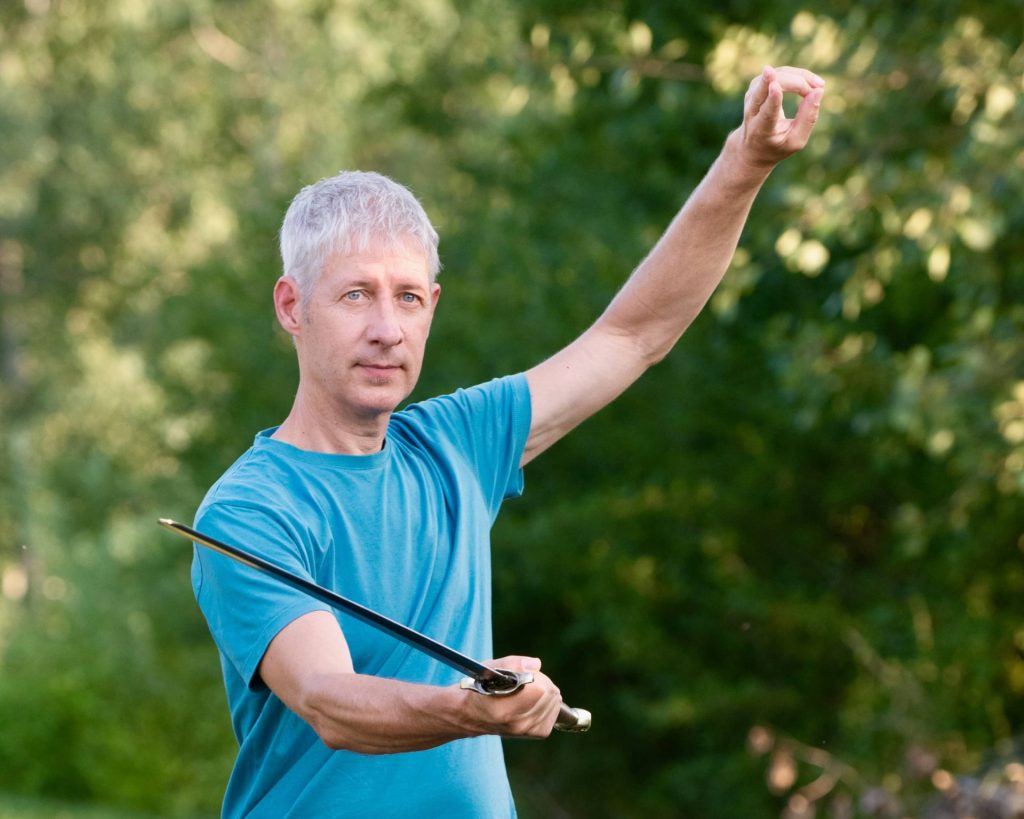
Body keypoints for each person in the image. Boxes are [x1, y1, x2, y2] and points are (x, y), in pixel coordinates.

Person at [191, 64, 824, 818]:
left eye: (410, 297)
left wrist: (744, 163)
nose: (387, 328)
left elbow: (634, 334)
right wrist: (469, 707)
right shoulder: (250, 510)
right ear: (293, 306)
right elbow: (331, 702)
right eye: (356, 294)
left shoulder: (456, 443)